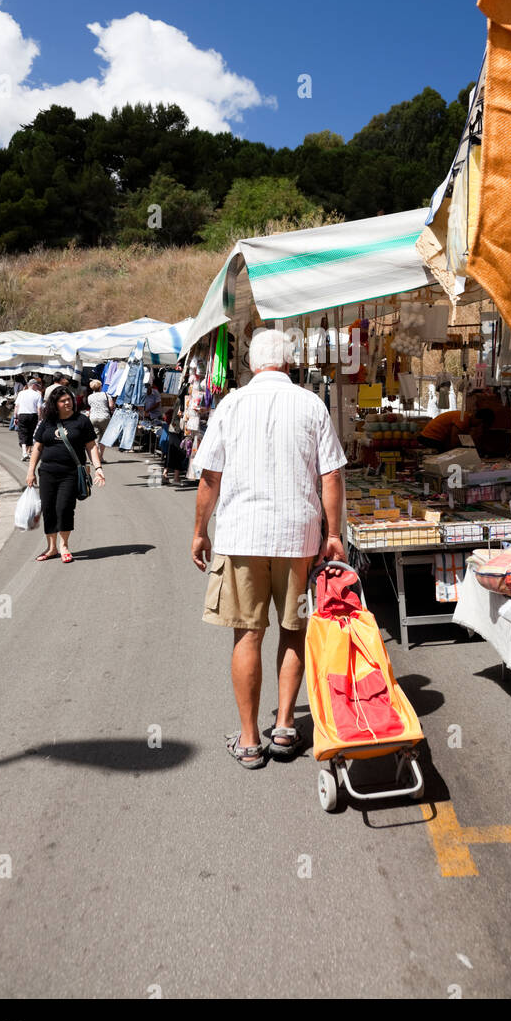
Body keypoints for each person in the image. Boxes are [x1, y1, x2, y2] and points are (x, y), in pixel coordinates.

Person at [191, 327, 347, 769]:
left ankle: (248, 740)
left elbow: (210, 477)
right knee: (293, 629)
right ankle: (284, 726)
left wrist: (200, 530)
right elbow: (332, 475)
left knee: (248, 633)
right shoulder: (311, 404)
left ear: (252, 365)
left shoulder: (231, 404)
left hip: (242, 535)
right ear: (289, 364)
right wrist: (332, 534)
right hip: (299, 537)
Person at [26, 386, 104, 563]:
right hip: (47, 473)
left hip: (70, 473)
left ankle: (64, 546)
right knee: (48, 509)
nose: (68, 402)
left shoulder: (81, 421)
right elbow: (38, 447)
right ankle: (51, 548)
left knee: (64, 508)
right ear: (55, 404)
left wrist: (98, 468)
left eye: (69, 399)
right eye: (63, 400)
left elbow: (91, 446)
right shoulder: (47, 422)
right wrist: (31, 471)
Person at [14, 379, 44, 461]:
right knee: (31, 433)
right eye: (37, 386)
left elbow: (17, 406)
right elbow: (39, 408)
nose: (37, 388)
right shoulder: (37, 395)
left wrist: (15, 417)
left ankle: (24, 452)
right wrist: (39, 418)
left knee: (23, 433)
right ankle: (28, 452)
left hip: (22, 415)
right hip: (33, 415)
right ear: (33, 385)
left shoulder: (21, 393)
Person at [86, 379, 114, 462]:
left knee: (95, 438)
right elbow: (111, 406)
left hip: (93, 417)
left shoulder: (90, 396)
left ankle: (94, 458)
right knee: (104, 438)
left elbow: (90, 406)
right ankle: (100, 457)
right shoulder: (106, 395)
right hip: (104, 417)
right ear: (100, 387)